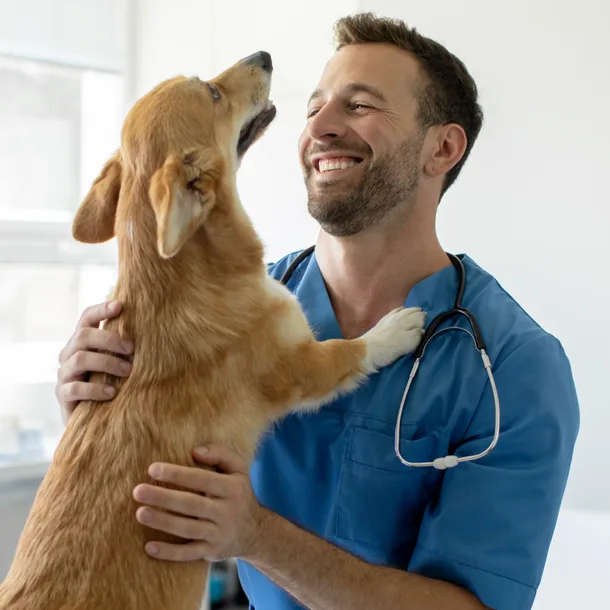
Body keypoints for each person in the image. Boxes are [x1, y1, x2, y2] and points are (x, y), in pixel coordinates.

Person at [54, 12, 580, 610]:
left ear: (442, 148)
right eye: (313, 108)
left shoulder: (514, 368)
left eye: (359, 106)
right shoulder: (224, 308)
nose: (320, 128)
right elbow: (149, 494)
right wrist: (96, 410)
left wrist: (256, 536)